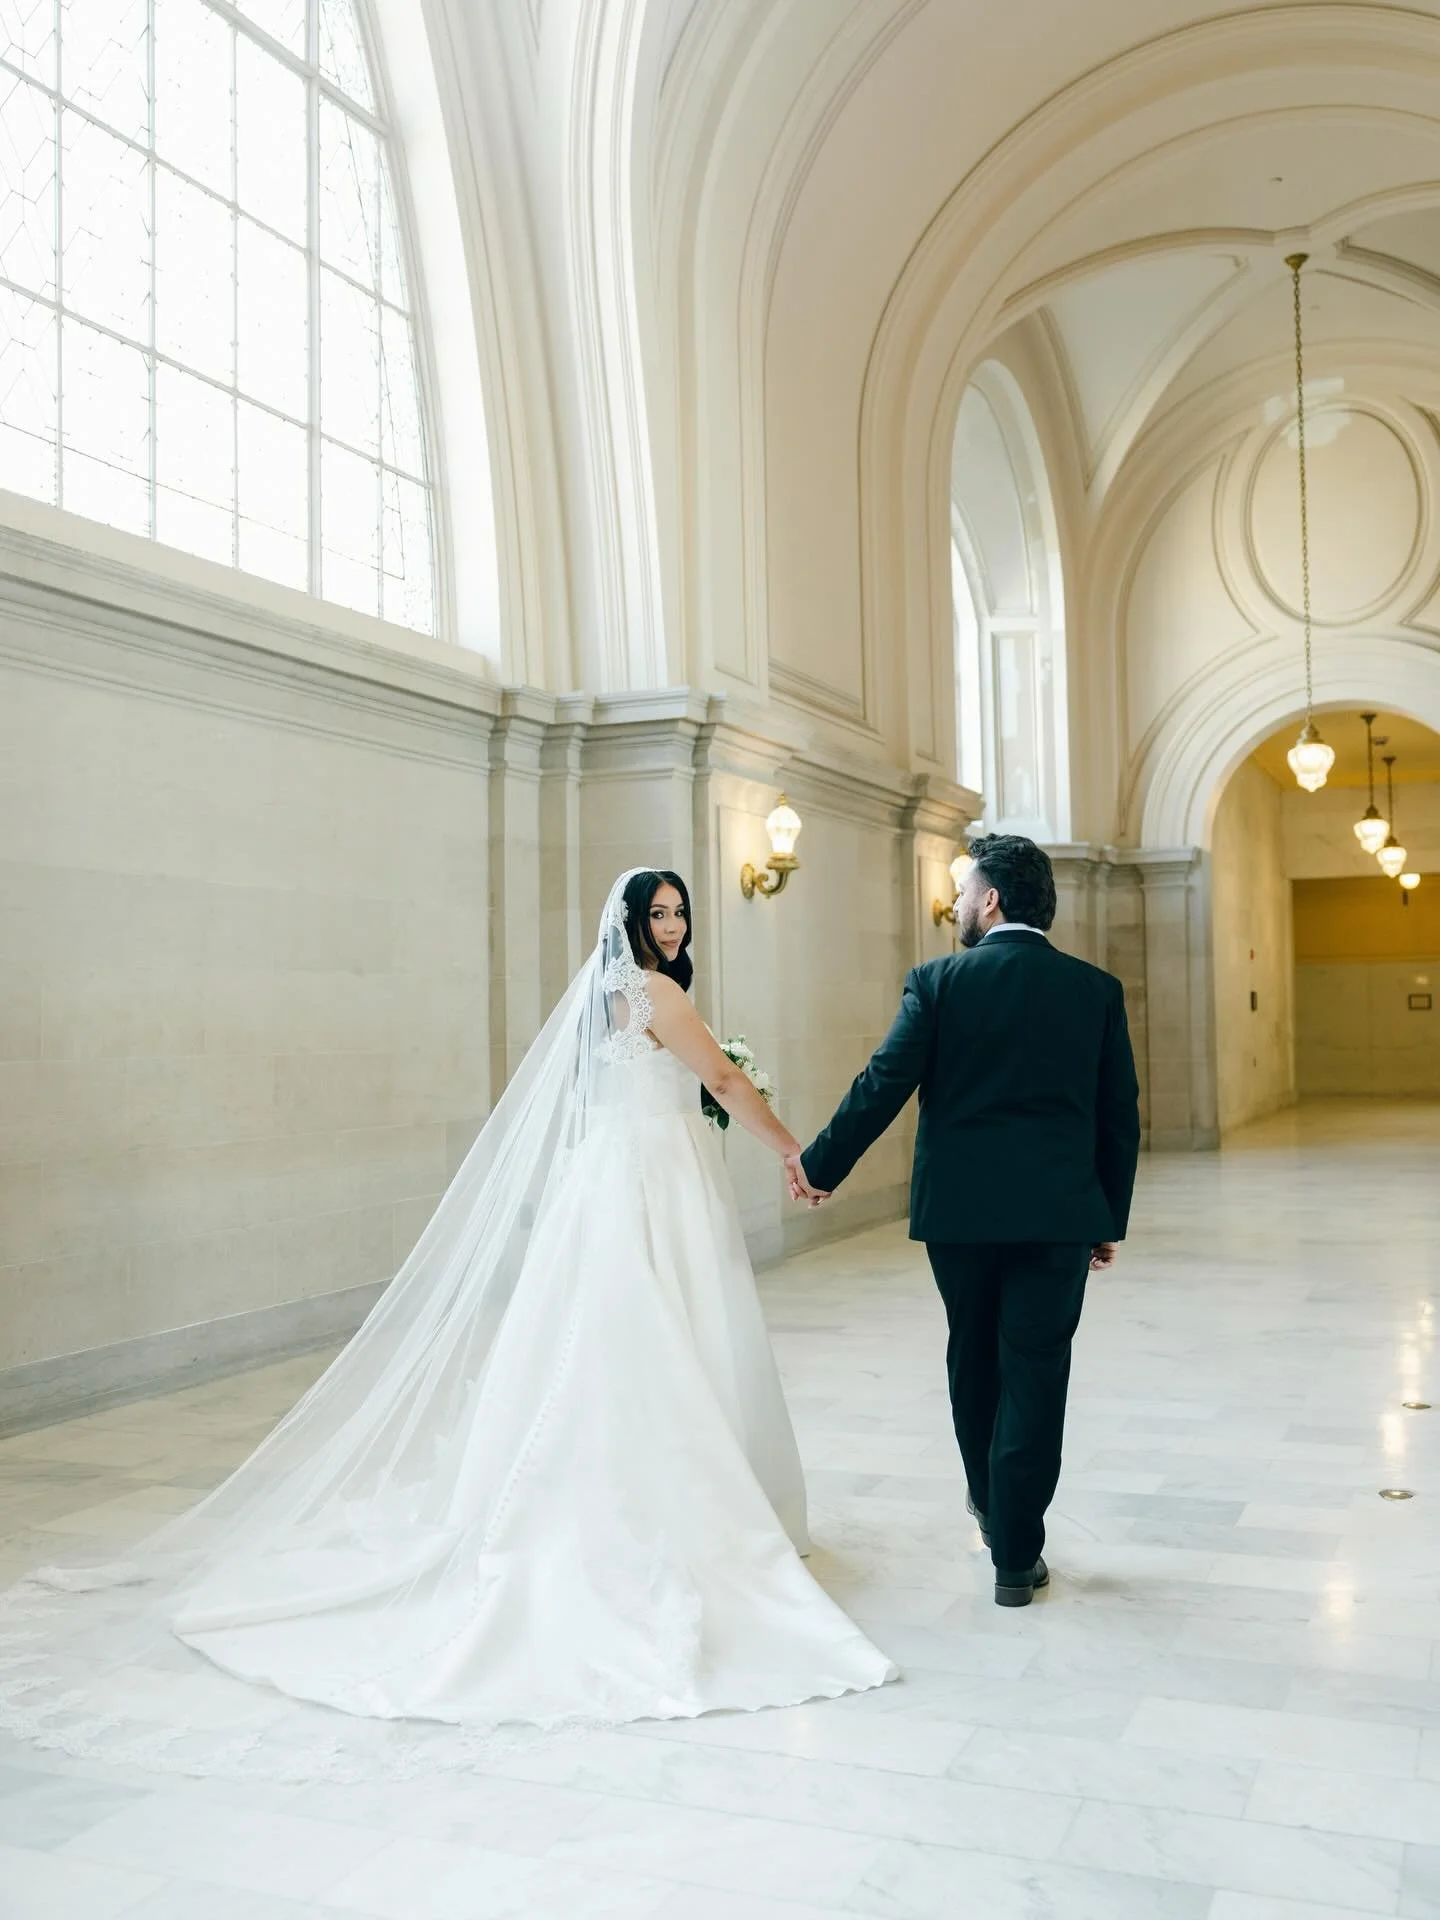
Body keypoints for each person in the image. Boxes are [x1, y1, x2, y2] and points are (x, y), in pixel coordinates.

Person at [0, 869, 893, 1779]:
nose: (670, 924)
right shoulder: (652, 989)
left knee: (615, 1336)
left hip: (617, 1176)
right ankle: (663, 1516)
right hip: (648, 1183)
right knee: (649, 1334)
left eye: (677, 912)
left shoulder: (599, 997)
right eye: (655, 912)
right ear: (629, 922)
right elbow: (722, 1074)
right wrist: (796, 1152)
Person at [788, 834, 1141, 1608]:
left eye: (963, 889)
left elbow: (882, 1083)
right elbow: (1119, 1117)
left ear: (992, 899)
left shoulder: (940, 982)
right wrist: (1104, 1217)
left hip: (962, 1218)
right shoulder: (1095, 990)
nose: (952, 904)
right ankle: (1017, 1555)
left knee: (973, 1358)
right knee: (1037, 1373)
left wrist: (820, 1166)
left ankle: (989, 1502)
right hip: (1058, 1219)